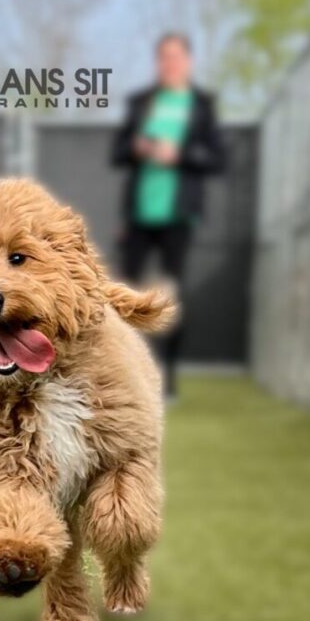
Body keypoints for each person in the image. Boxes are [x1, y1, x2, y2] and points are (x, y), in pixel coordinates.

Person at [109, 31, 227, 398]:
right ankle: (122, 376)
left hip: (178, 218)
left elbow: (218, 159)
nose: (169, 63)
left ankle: (168, 380)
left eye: (175, 56)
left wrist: (179, 155)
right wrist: (137, 147)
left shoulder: (202, 105)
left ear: (188, 61)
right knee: (126, 296)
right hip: (138, 218)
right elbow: (117, 153)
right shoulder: (142, 102)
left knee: (170, 297)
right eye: (163, 56)